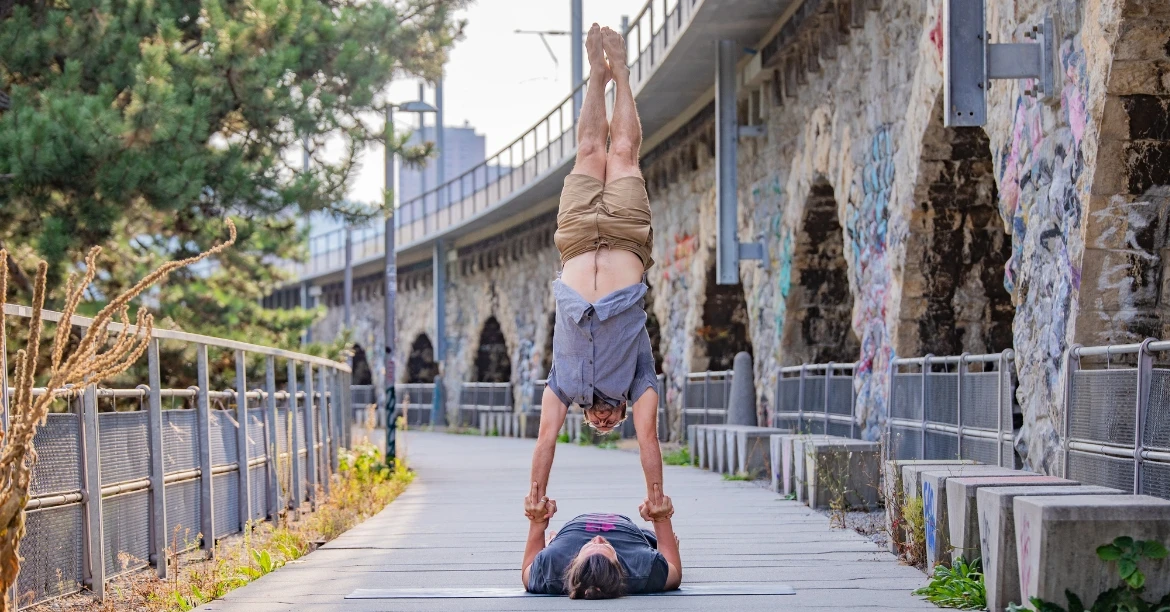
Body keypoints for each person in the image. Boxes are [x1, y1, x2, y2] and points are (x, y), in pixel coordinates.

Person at [529, 23, 664, 505]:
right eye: (612, 422)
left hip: (576, 241)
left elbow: (545, 440)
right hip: (627, 236)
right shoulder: (639, 379)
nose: (604, 421)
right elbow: (649, 441)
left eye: (596, 423)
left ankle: (595, 74)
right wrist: (655, 497)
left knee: (588, 152)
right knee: (624, 154)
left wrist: (537, 497)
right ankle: (621, 75)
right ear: (624, 409)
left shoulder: (561, 385)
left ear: (583, 416)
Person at [521, 482, 682, 598]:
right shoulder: (644, 568)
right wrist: (661, 518)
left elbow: (527, 569)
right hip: (631, 534)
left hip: (570, 533)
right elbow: (674, 570)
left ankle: (553, 541)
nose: (597, 538)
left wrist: (537, 521)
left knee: (550, 547)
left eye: (589, 545)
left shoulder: (550, 567)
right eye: (605, 545)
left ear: (573, 562)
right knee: (664, 549)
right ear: (620, 565)